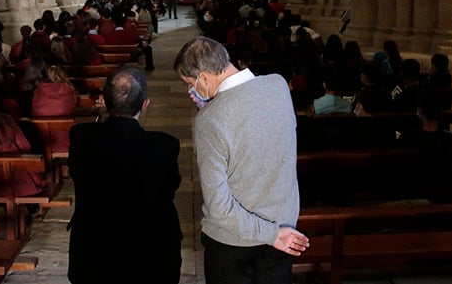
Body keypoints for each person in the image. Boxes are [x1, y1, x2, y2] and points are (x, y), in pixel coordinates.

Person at [173, 37, 308, 284]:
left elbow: (219, 206)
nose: (191, 89)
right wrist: (211, 107)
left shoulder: (209, 122)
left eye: (190, 82)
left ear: (203, 78)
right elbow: (259, 131)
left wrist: (271, 234)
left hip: (235, 241)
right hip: (284, 226)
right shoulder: (278, 84)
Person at [67, 67, 182, 284]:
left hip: (94, 249)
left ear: (102, 100)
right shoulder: (164, 145)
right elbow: (171, 186)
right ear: (145, 105)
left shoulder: (81, 138)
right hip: (151, 250)